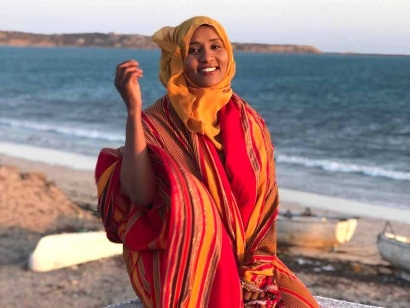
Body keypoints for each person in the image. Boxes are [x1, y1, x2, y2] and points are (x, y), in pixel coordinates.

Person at [95, 16, 319, 308]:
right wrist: (133, 111)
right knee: (192, 198)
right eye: (194, 50)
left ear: (228, 53)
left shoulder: (249, 122)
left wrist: (257, 270)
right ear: (177, 59)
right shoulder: (156, 122)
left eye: (216, 46)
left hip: (247, 260)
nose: (207, 57)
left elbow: (266, 204)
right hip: (182, 260)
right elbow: (140, 195)